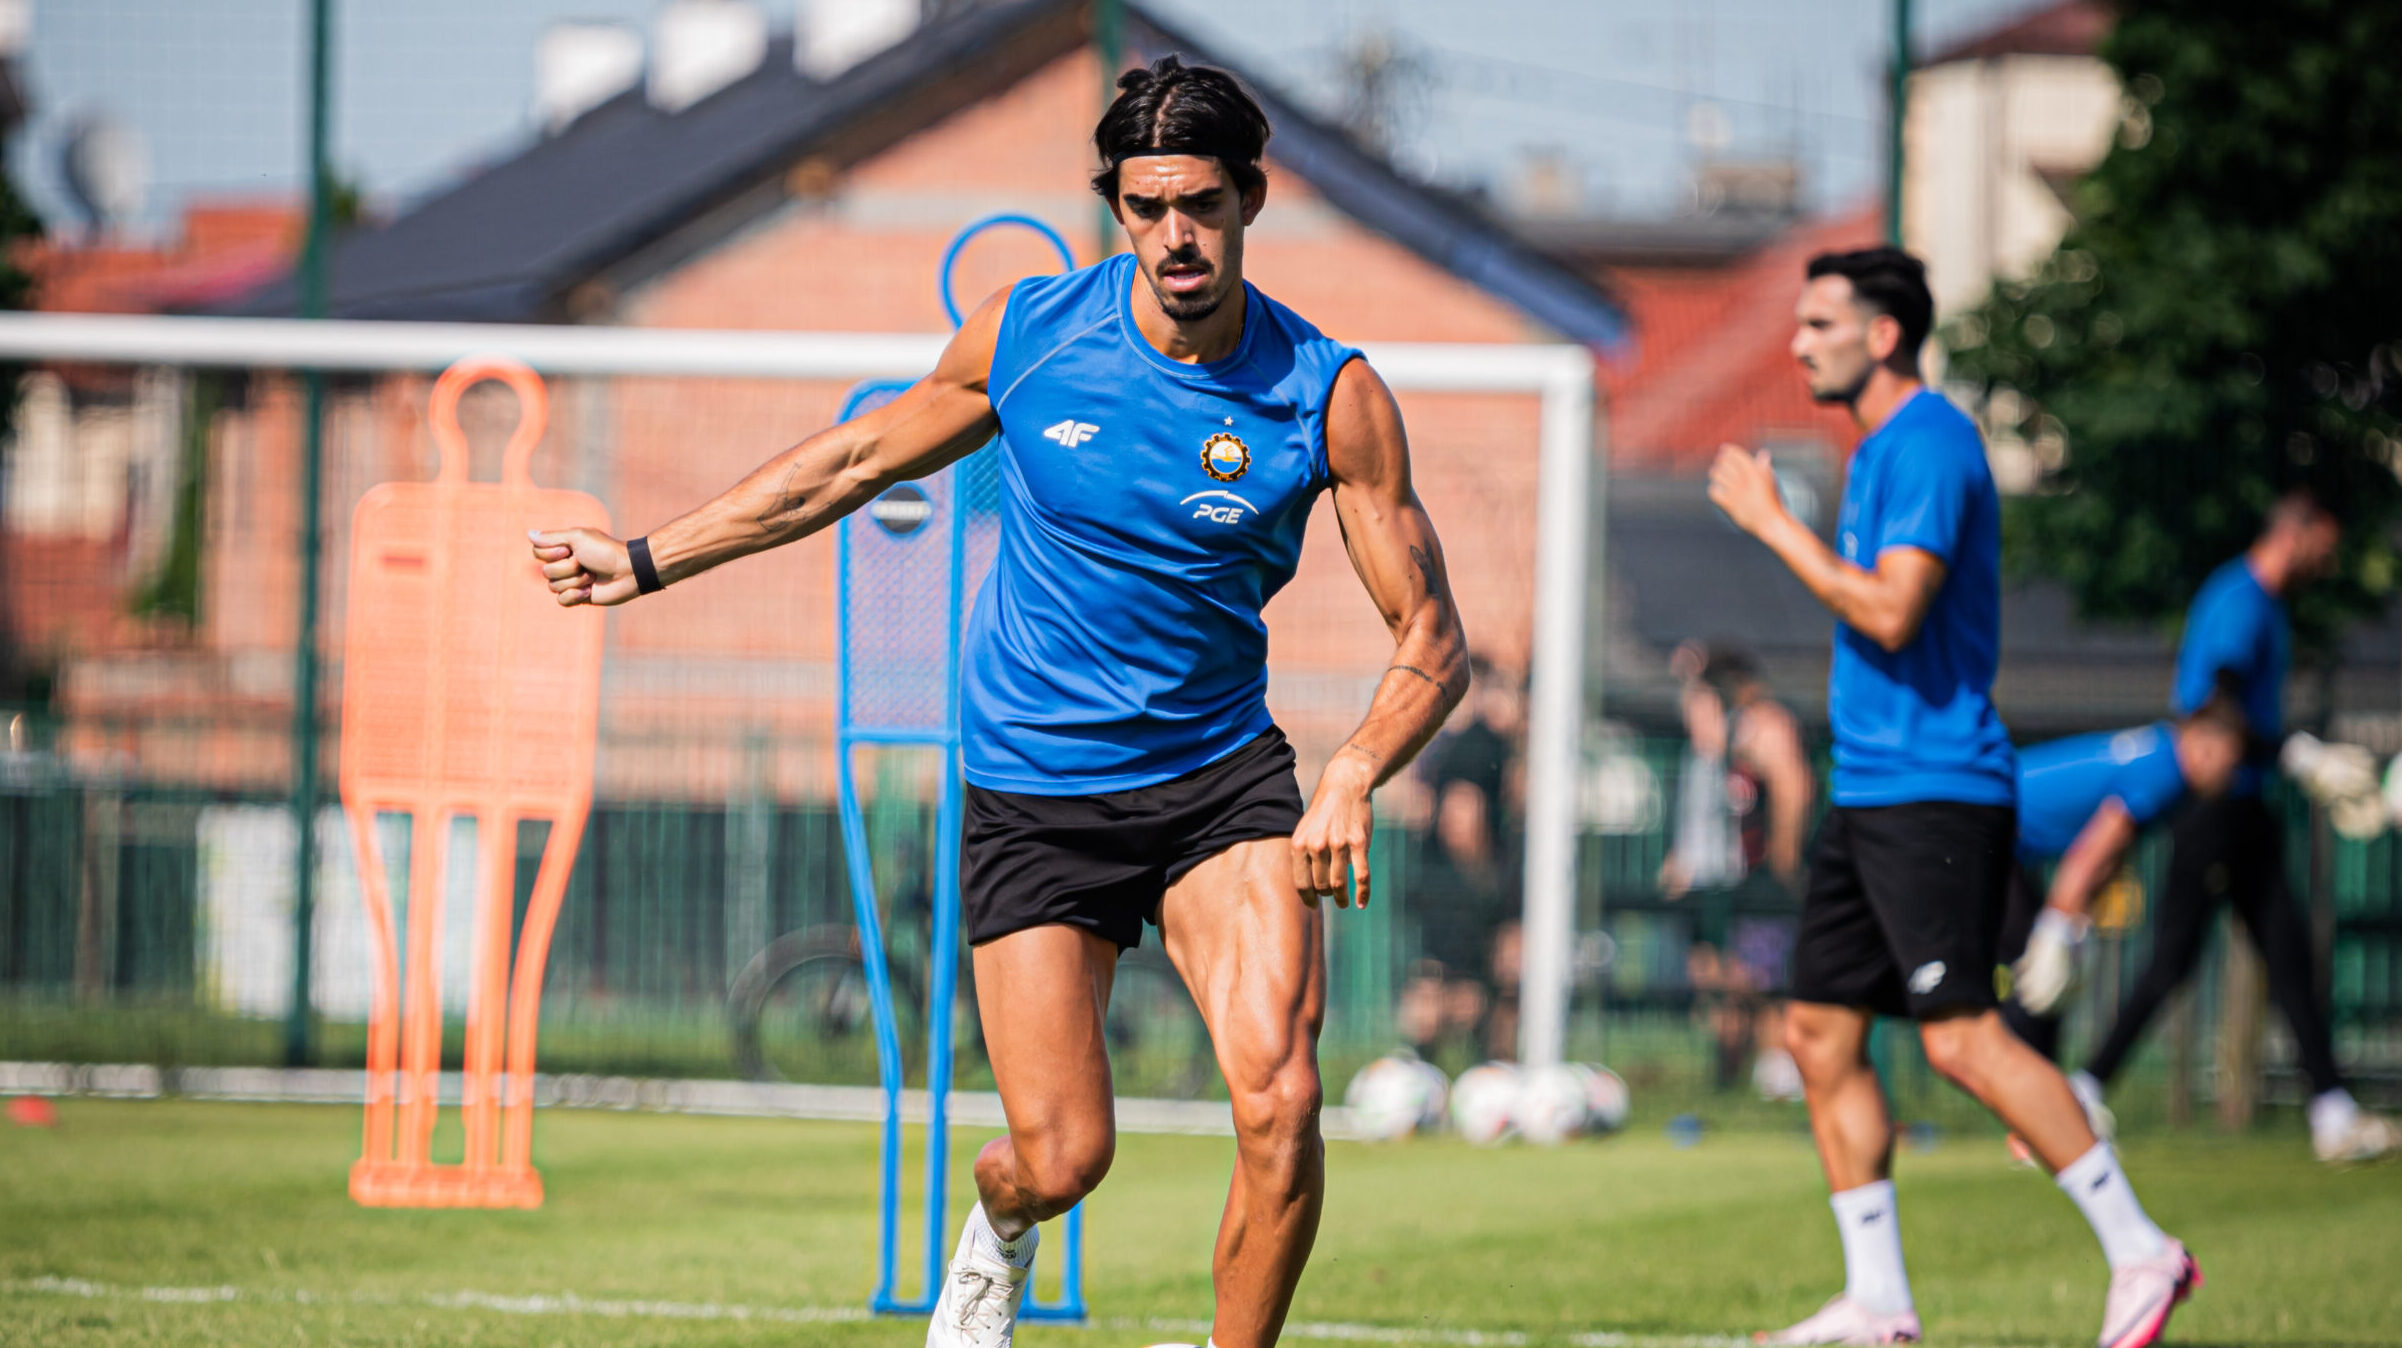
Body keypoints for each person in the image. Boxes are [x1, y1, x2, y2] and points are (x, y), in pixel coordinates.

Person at [528, 56, 1469, 1348]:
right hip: (1035, 789)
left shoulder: (1327, 392)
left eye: (1199, 203)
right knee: (1063, 1155)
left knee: (1281, 1103)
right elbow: (848, 465)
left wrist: (1356, 765)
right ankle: (1001, 1225)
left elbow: (1431, 633)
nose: (1172, 236)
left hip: (1219, 785)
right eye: (1144, 207)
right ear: (1114, 210)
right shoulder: (1030, 336)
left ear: (1249, 200)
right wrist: (644, 562)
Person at [1709, 247, 2195, 1348]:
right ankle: (1876, 1299)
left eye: (1818, 323)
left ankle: (2139, 1248)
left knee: (1959, 1038)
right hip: (1869, 789)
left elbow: (1890, 612)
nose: (1796, 344)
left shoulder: (1927, 442)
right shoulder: (1879, 449)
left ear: (1881, 334)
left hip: (1936, 791)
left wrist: (1771, 521)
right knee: (1819, 1030)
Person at [2071, 492, 2400, 1165]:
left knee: (2286, 955)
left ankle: (2332, 1112)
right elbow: (2213, 712)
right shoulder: (2239, 601)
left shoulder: (2269, 607)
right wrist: (2297, 755)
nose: (2330, 561)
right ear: (2297, 534)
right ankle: (2082, 1086)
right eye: (2325, 545)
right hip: (2213, 806)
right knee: (2172, 960)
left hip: (2246, 808)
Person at [1996, 699, 2249, 1076]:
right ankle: (2028, 1108)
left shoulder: (2158, 755)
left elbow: (2111, 859)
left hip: (2002, 842)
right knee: (2036, 989)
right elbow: (2091, 853)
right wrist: (2056, 928)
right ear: (2202, 742)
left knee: (2043, 999)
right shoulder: (2165, 772)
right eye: (2226, 764)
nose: (2227, 779)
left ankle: (2034, 1111)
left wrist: (2078, 921)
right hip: (1990, 837)